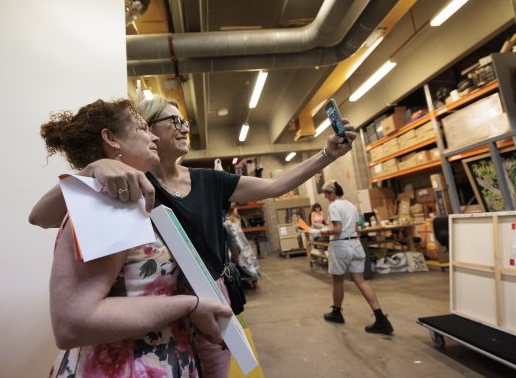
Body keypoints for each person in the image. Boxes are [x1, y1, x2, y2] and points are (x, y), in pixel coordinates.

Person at [30, 95, 357, 376]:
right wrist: (92, 171)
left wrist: (327, 155)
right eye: (149, 126)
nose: (180, 129)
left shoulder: (156, 190)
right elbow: (42, 220)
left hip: (179, 336)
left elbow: (275, 186)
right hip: (139, 356)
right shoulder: (121, 194)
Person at [39, 98, 232, 377]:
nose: (152, 135)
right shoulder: (108, 203)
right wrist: (190, 304)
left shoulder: (124, 198)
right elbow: (73, 323)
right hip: (127, 366)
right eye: (141, 127)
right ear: (111, 138)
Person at [318, 180, 393, 335]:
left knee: (338, 281)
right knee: (360, 281)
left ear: (331, 193)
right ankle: (381, 318)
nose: (325, 197)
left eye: (326, 193)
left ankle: (337, 313)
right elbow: (357, 229)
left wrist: (322, 232)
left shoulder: (333, 206)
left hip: (341, 246)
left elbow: (337, 229)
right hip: (356, 245)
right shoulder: (351, 205)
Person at [223, 206, 261, 279]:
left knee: (248, 255)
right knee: (242, 257)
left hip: (242, 241)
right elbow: (233, 233)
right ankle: (247, 272)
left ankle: (252, 271)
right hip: (237, 242)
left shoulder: (236, 219)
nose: (236, 212)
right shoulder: (228, 222)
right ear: (231, 212)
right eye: (235, 211)